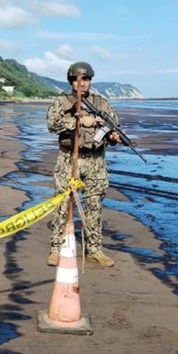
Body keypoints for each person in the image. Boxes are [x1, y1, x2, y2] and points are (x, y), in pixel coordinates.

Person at [45, 61, 121, 267]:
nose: (83, 83)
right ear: (71, 81)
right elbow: (52, 124)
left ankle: (94, 249)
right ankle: (56, 249)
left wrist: (113, 137)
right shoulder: (61, 102)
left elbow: (114, 125)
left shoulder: (101, 103)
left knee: (94, 205)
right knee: (62, 203)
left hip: (96, 160)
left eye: (86, 79)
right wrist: (79, 121)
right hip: (70, 160)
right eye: (79, 79)